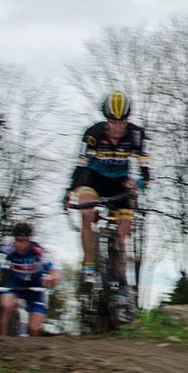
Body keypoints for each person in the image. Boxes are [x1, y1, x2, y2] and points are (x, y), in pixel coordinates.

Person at [64, 90, 150, 287]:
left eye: (122, 122)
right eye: (113, 122)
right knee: (87, 213)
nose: (118, 128)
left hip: (119, 182)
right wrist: (69, 192)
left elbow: (146, 174)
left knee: (123, 233)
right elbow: (80, 166)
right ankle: (88, 267)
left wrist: (137, 185)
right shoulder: (92, 134)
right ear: (106, 120)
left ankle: (120, 285)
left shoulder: (136, 135)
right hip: (93, 179)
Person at [0, 222, 58, 336]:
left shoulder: (38, 250)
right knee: (6, 306)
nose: (20, 244)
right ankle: (1, 341)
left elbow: (53, 271)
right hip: (15, 285)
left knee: (34, 329)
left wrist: (51, 278)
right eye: (17, 240)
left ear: (29, 240)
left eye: (23, 241)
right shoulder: (7, 248)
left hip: (36, 289)